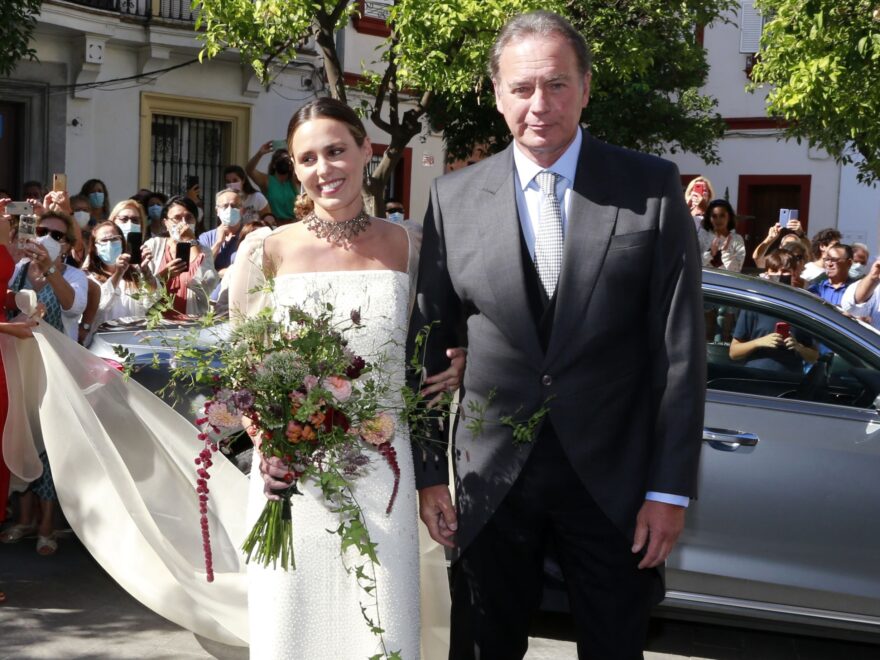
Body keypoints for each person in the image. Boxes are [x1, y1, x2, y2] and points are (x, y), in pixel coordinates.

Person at [408, 11, 705, 659]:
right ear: (496, 95)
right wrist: (431, 471)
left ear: (587, 87)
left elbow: (679, 353)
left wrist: (668, 489)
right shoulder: (453, 200)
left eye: (557, 85)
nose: (539, 105)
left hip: (614, 487)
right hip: (489, 488)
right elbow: (427, 346)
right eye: (521, 88)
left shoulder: (650, 188)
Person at [229, 97, 461, 659]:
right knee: (294, 627)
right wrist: (267, 441)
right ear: (293, 165)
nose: (323, 168)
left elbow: (426, 365)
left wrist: (462, 359)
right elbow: (243, 370)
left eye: (336, 151)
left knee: (381, 628)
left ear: (366, 150)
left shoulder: (411, 247)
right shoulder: (267, 251)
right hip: (295, 476)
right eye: (307, 158)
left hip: (387, 473)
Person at [730, 251, 818, 371]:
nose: (779, 276)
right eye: (775, 271)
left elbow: (813, 356)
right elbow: (734, 352)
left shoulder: (801, 308)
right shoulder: (755, 305)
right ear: (767, 274)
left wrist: (798, 347)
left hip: (790, 382)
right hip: (755, 379)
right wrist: (759, 342)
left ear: (794, 273)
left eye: (785, 272)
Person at [141, 196, 217, 317]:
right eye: (177, 218)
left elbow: (207, 287)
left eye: (189, 218)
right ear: (165, 223)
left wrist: (191, 241)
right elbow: (143, 289)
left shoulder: (203, 250)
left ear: (196, 222)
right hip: (157, 324)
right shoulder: (153, 245)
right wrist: (164, 275)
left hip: (190, 326)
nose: (184, 223)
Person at [82, 221, 157, 334]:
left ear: (123, 243)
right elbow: (99, 308)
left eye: (114, 239)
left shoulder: (135, 273)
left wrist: (146, 271)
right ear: (95, 249)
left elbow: (152, 300)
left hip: (134, 339)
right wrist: (118, 273)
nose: (109, 244)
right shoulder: (86, 277)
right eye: (104, 240)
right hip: (102, 342)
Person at [245, 142, 298, 224]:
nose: (283, 162)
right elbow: (249, 170)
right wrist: (260, 154)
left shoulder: (294, 181)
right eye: (280, 160)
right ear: (274, 164)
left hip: (292, 225)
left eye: (286, 160)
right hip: (273, 225)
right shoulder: (267, 181)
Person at [198, 188, 244, 276]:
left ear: (242, 210)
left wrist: (217, 272)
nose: (230, 209)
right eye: (225, 206)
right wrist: (218, 242)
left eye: (234, 206)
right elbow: (200, 268)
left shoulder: (249, 234)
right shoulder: (206, 237)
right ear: (217, 211)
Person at [700, 198, 746, 273]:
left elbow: (736, 270)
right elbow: (695, 264)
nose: (718, 220)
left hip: (726, 283)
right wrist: (710, 253)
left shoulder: (737, 239)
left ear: (729, 217)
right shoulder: (702, 237)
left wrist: (726, 253)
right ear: (709, 218)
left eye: (722, 215)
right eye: (714, 216)